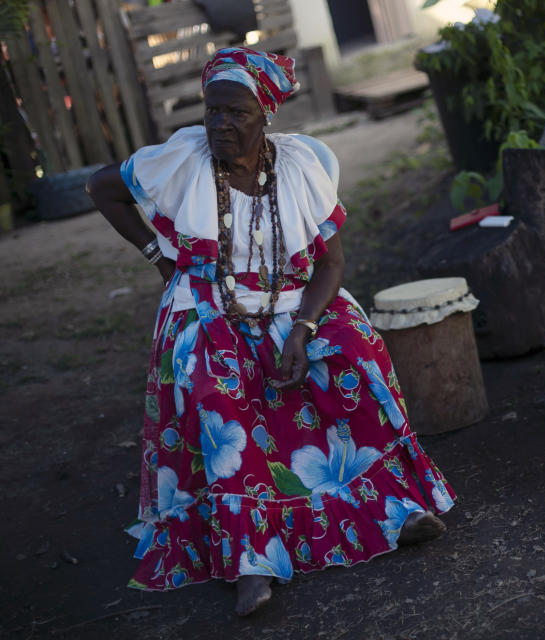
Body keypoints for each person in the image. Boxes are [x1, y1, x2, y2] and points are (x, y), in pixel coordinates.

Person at [87, 47, 455, 616]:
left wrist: (303, 331)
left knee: (356, 351)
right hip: (211, 304)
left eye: (236, 114)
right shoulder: (182, 159)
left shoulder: (300, 166)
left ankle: (389, 510)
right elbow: (100, 187)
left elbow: (330, 265)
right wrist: (156, 257)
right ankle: (250, 559)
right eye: (213, 111)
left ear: (265, 116)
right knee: (217, 391)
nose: (220, 125)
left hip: (294, 301)